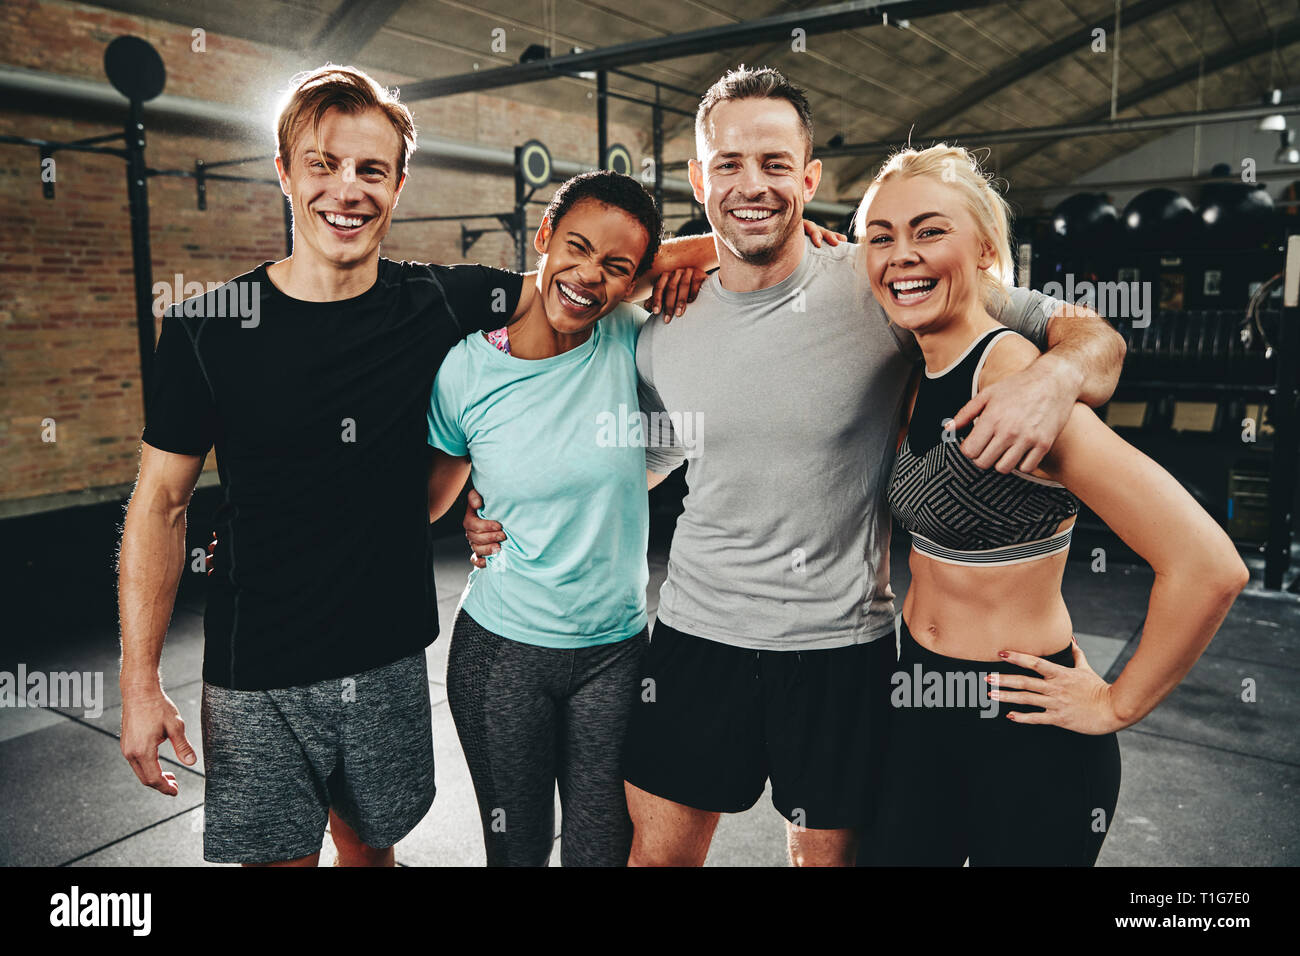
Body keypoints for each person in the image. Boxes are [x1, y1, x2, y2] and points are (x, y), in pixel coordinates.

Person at [118, 65, 714, 868]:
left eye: (371, 169)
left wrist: (741, 239)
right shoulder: (207, 327)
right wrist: (138, 681)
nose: (347, 189)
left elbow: (586, 277)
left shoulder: (442, 302)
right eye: (324, 164)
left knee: (372, 855)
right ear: (285, 171)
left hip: (386, 653)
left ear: (399, 184)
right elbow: (159, 504)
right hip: (255, 664)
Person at [547, 65, 1123, 868]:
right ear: (696, 177)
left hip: (842, 651)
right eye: (730, 165)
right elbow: (635, 441)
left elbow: (1094, 336)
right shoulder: (658, 321)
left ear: (809, 177)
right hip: (696, 640)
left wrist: (1054, 379)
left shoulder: (885, 283)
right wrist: (512, 508)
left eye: (776, 164)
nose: (755, 184)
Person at [429, 170, 844, 866]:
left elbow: (714, 272)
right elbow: (433, 499)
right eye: (576, 248)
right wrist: (470, 512)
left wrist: (792, 233)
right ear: (543, 238)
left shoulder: (631, 337)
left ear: (633, 280)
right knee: (517, 850)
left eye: (615, 267)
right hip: (501, 653)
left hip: (617, 654)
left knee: (605, 853)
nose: (588, 275)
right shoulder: (466, 369)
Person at [856, 144, 1248, 866]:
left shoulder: (1018, 382)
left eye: (929, 230)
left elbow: (1207, 565)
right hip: (916, 702)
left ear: (983, 250)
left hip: (1022, 723)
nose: (902, 254)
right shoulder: (918, 361)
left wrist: (1117, 703)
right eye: (882, 236)